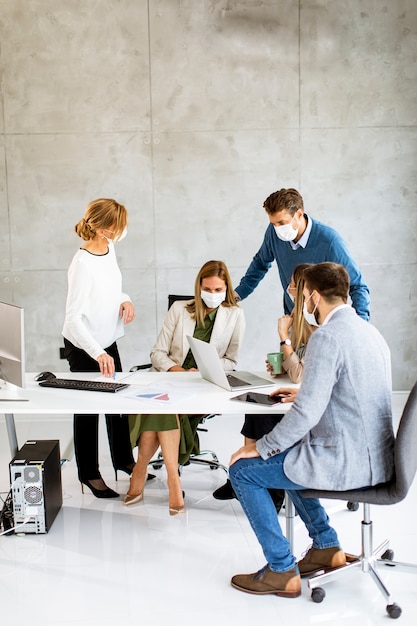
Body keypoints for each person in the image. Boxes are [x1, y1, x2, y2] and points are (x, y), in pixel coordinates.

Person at [228, 262, 394, 599]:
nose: (303, 304)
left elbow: (305, 415)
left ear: (314, 297)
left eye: (303, 296)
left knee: (244, 470)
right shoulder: (369, 331)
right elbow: (353, 388)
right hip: (377, 458)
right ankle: (325, 546)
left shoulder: (327, 337)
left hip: (345, 462)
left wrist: (260, 447)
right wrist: (305, 391)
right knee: (290, 458)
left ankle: (280, 569)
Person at [126, 260, 245, 515]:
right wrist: (178, 371)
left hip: (204, 386)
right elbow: (157, 352)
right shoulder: (180, 310)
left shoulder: (235, 315)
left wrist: (202, 371)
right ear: (198, 287)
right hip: (170, 379)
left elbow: (232, 361)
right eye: (208, 289)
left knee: (159, 408)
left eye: (218, 290)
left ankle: (140, 470)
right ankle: (173, 480)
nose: (212, 295)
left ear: (226, 289)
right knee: (163, 405)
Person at [213, 262, 316, 506]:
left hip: (308, 402)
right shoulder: (299, 320)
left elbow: (301, 375)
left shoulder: (316, 326)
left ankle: (267, 488)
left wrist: (283, 337)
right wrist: (280, 365)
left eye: (292, 284)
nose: (288, 288)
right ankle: (245, 477)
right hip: (298, 392)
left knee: (262, 414)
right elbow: (296, 366)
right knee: (254, 405)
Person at [62, 198, 136, 498]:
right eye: (120, 225)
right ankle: (89, 474)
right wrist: (98, 353)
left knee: (117, 404)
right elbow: (73, 318)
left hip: (107, 340)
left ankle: (124, 461)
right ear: (106, 228)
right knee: (89, 411)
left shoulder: (109, 247)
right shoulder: (81, 264)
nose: (123, 230)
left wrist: (125, 298)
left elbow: (111, 287)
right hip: (84, 347)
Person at [235, 187, 370, 321]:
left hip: (323, 322)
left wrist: (360, 325)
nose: (278, 229)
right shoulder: (273, 233)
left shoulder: (330, 241)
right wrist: (236, 295)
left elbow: (357, 286)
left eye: (282, 223)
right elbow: (260, 263)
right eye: (273, 224)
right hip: (294, 319)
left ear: (299, 214)